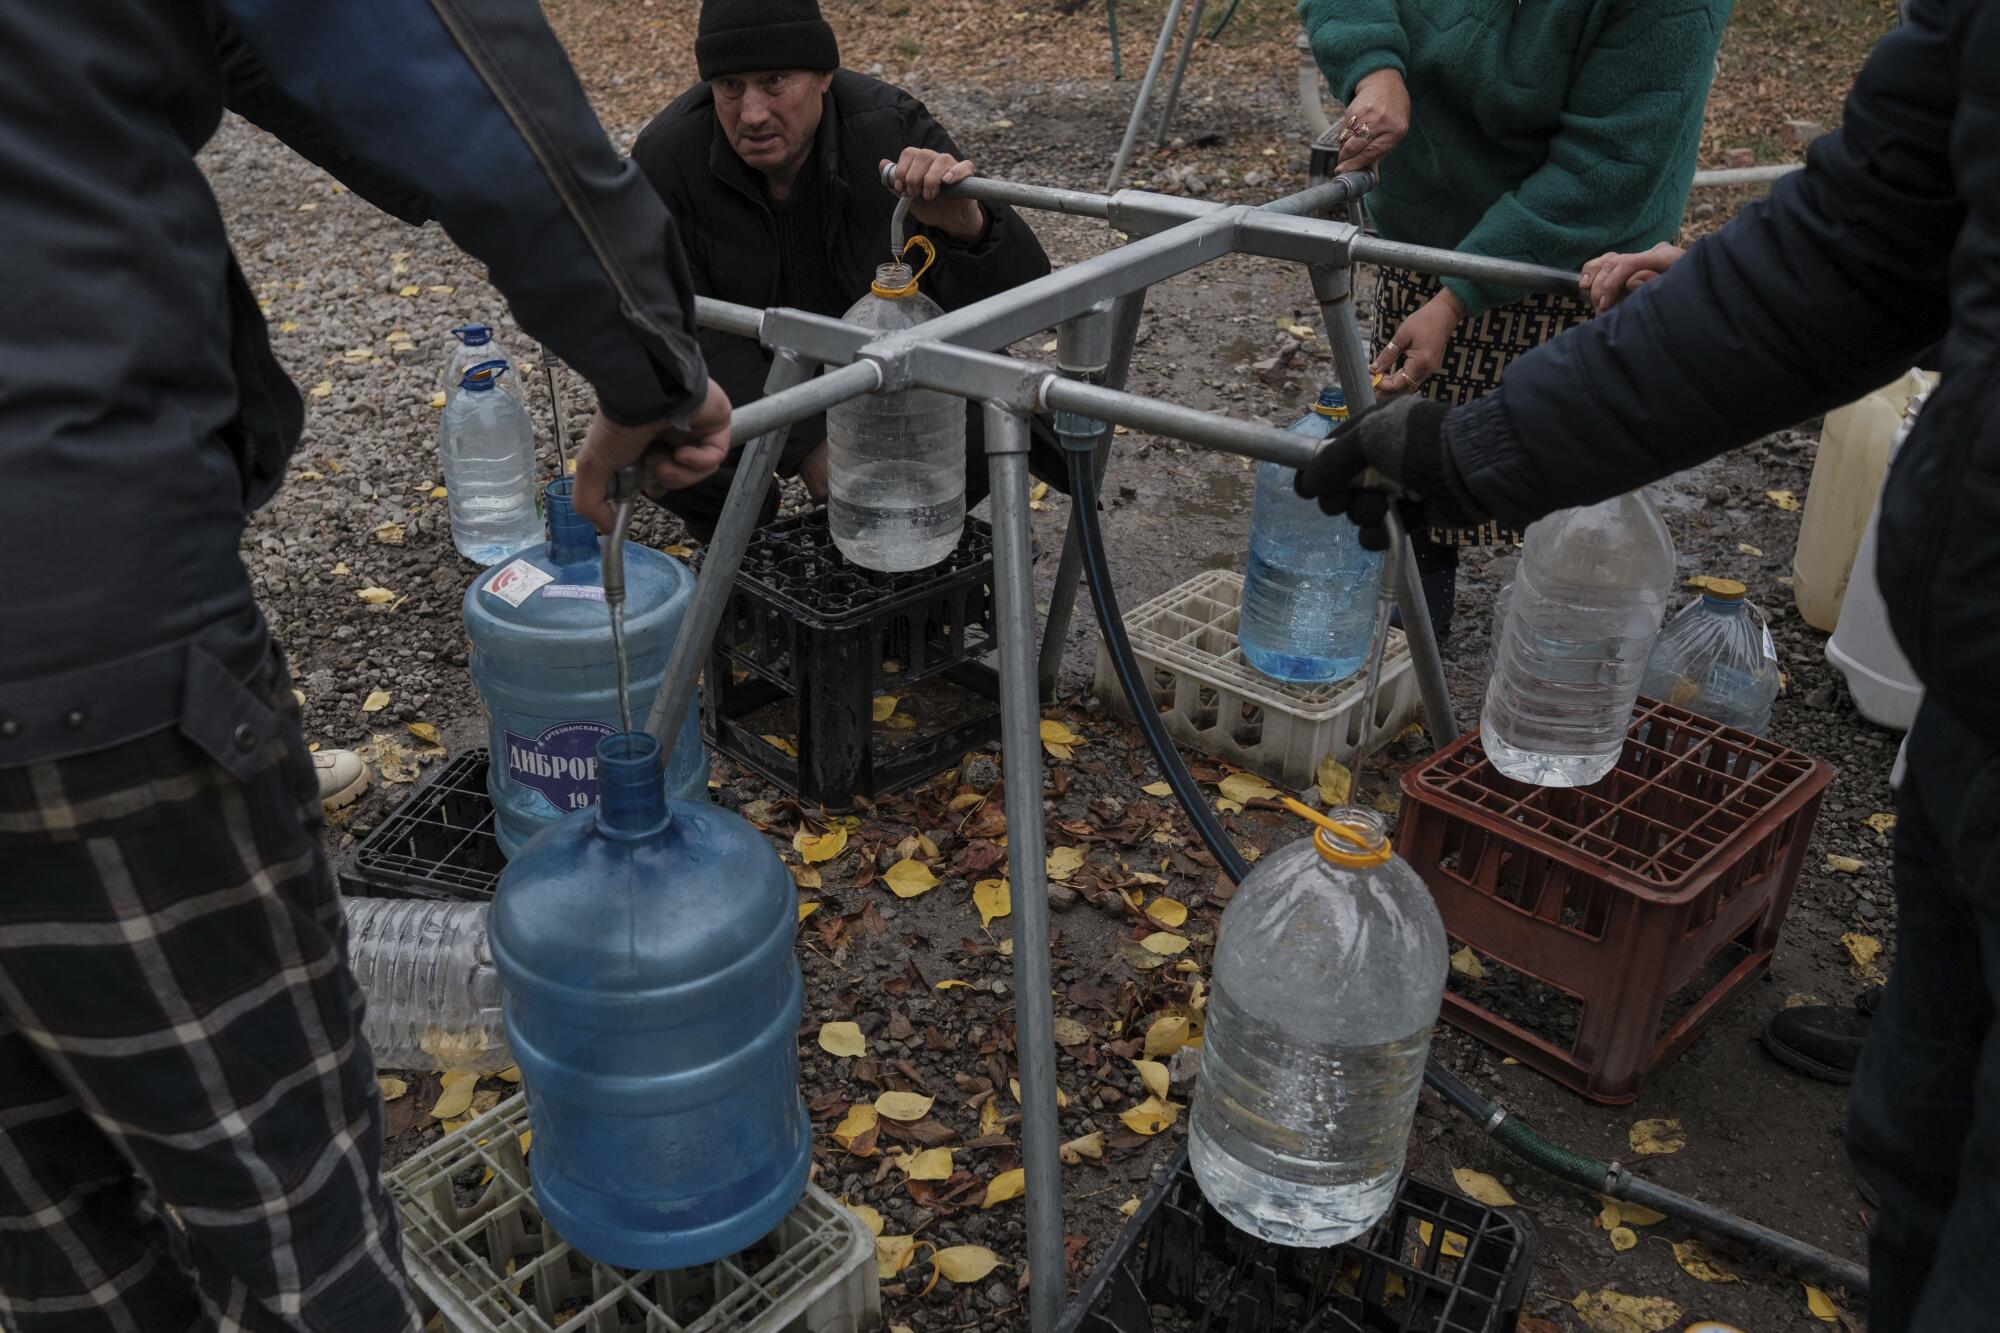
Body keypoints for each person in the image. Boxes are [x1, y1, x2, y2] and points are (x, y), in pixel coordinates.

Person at [0, 0, 729, 1326]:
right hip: (75, 641)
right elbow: (431, 67)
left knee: (55, 1262)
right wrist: (653, 368)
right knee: (293, 1236)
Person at [1297, 1, 1993, 1324]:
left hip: (1518, 269)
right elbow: (1866, 248)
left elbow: (1655, 184)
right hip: (1981, 682)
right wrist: (1465, 453)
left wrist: (1468, 340)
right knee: (1918, 1144)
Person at [1297, 0, 1732, 634]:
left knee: (1559, 476)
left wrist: (1453, 301)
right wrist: (1375, 71)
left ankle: (1557, 641)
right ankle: (1412, 621)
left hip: (1572, 253)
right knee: (1414, 453)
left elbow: (1608, 165)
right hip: (1430, 219)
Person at [630, 0, 1068, 542]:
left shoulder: (891, 130)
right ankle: (740, 535)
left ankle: (898, 541)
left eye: (774, 81)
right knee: (647, 422)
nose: (753, 113)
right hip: (747, 367)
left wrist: (968, 228)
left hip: (879, 365)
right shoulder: (666, 157)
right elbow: (674, 325)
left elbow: (1022, 298)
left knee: (979, 429)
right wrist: (805, 436)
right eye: (730, 86)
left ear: (823, 76)